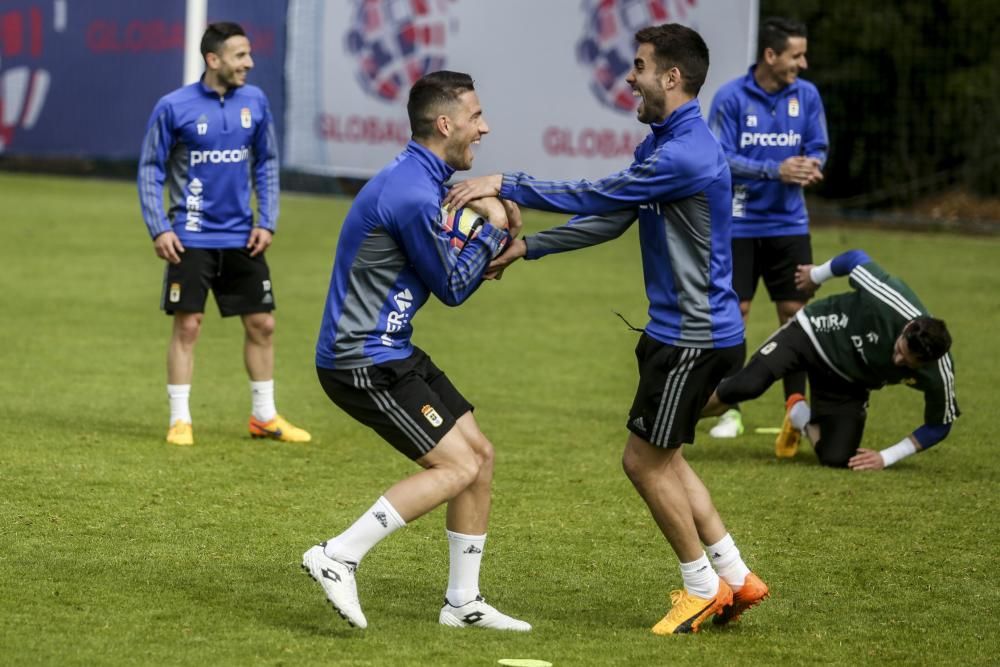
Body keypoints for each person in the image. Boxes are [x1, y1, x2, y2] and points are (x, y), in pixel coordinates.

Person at [444, 24, 767, 635]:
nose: (630, 77)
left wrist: (505, 182)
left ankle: (701, 587)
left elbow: (597, 193)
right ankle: (736, 575)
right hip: (690, 333)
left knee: (643, 463)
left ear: (671, 78)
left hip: (690, 339)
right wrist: (528, 248)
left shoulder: (687, 153)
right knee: (666, 458)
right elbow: (611, 219)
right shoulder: (663, 145)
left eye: (640, 66)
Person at [302, 71, 530, 632]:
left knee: (480, 455)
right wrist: (493, 230)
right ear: (445, 123)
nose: (485, 126)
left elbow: (453, 263)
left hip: (392, 347)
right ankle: (338, 555)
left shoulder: (423, 183)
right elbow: (453, 287)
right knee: (456, 465)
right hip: (361, 358)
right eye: (476, 116)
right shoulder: (409, 190)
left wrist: (490, 236)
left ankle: (463, 603)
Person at [137, 22, 309, 446]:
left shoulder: (256, 101)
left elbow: (267, 162)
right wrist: (159, 226)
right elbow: (150, 169)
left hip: (241, 236)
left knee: (263, 324)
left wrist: (266, 220)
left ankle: (264, 417)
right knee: (189, 325)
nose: (249, 63)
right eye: (240, 56)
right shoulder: (173, 107)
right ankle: (180, 420)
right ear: (213, 60)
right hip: (190, 236)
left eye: (249, 54)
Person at [702, 249, 958, 469]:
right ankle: (674, 422)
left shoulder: (940, 373)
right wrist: (815, 276)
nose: (898, 360)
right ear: (908, 327)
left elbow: (940, 425)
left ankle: (798, 413)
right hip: (811, 333)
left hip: (848, 381)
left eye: (908, 362)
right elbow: (855, 258)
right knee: (747, 385)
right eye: (900, 349)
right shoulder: (889, 298)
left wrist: (886, 457)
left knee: (836, 457)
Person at [705, 17, 828, 441]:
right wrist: (774, 170)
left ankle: (795, 411)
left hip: (789, 225)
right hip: (737, 225)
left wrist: (812, 165)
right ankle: (729, 408)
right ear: (771, 56)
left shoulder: (806, 96)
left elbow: (818, 146)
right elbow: (718, 159)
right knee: (734, 315)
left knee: (795, 315)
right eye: (797, 55)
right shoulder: (731, 98)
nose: (804, 63)